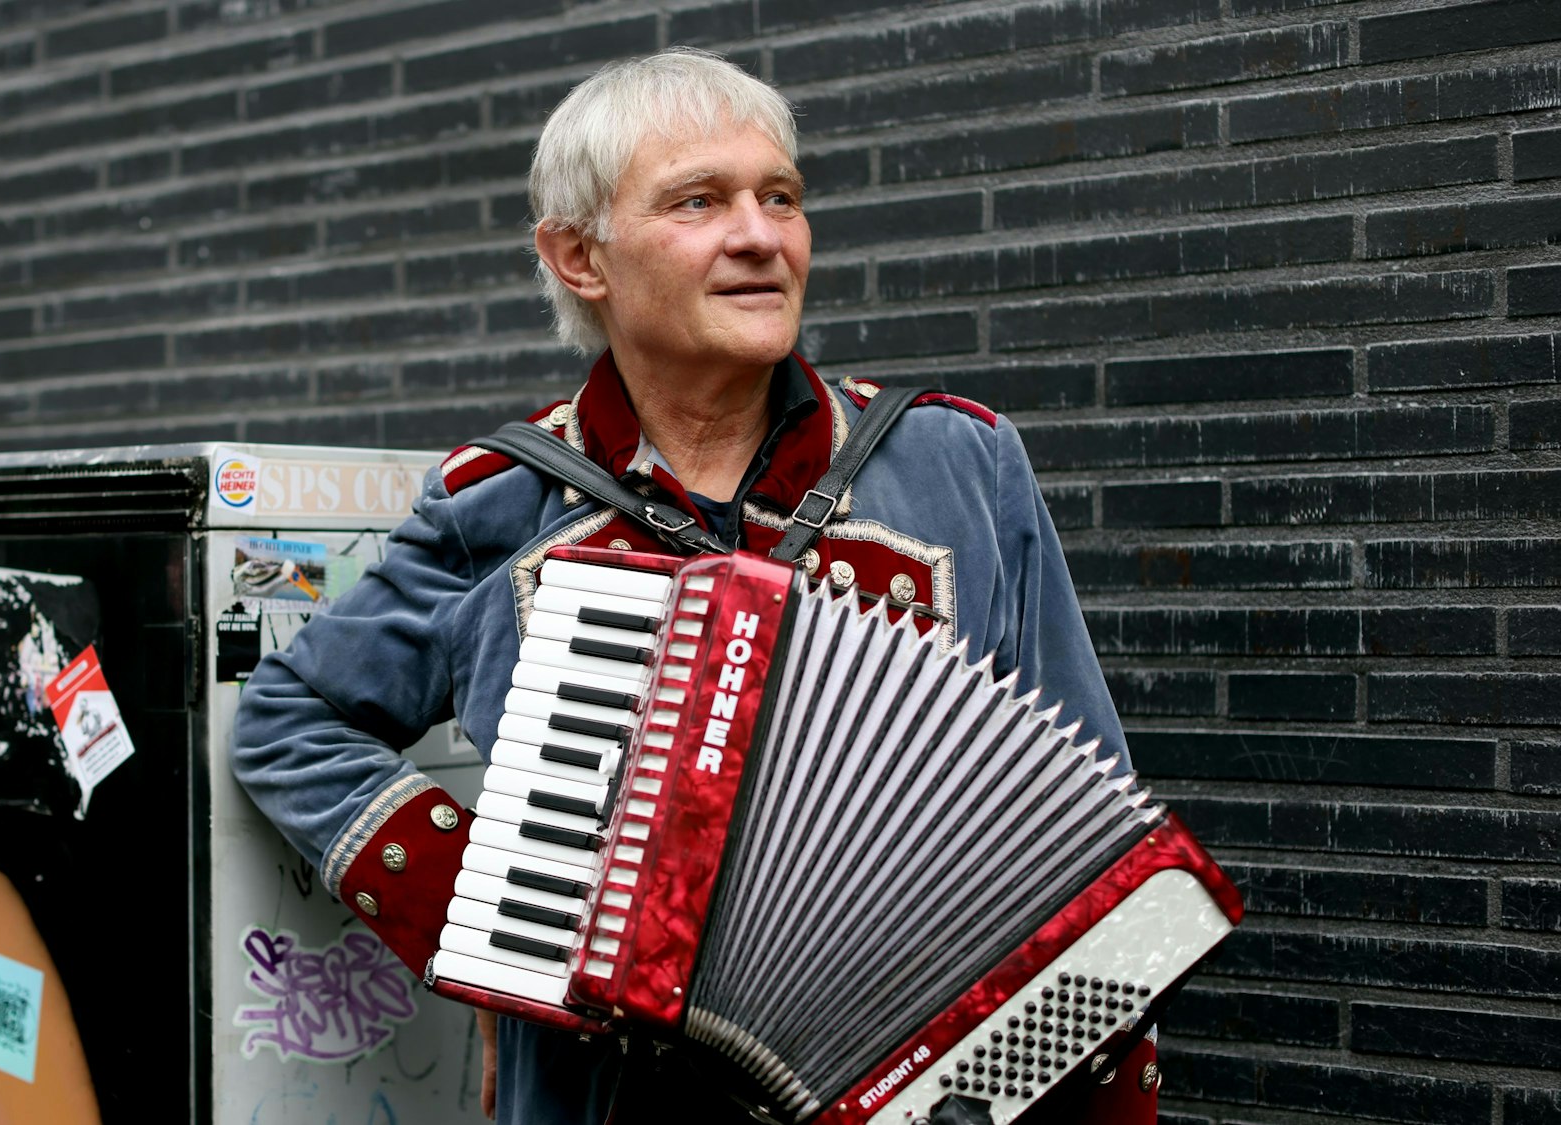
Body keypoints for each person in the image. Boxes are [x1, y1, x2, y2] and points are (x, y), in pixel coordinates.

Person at [232, 48, 1151, 1125]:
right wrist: (491, 914)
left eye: (780, 198)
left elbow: (1092, 831)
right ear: (580, 257)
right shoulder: (501, 509)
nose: (760, 235)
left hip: (924, 1091)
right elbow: (286, 720)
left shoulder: (959, 466)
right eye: (698, 201)